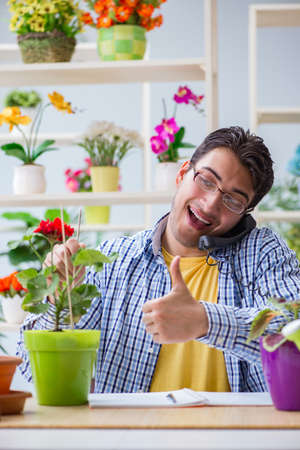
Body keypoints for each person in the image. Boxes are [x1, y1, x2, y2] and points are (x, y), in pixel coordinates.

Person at [17, 126, 300, 393]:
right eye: (206, 181)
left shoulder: (263, 252)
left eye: (233, 200)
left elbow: (293, 329)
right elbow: (31, 370)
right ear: (182, 174)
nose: (211, 203)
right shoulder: (113, 261)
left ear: (246, 212)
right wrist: (55, 299)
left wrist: (206, 322)